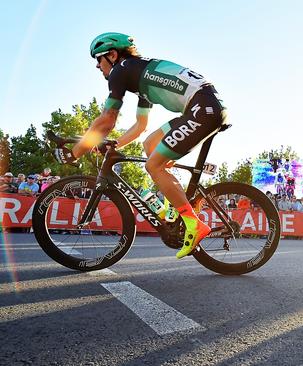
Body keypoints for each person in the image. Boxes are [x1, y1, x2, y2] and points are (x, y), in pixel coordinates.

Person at [53, 33, 227, 259]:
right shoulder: (139, 73)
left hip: (203, 110)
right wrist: (114, 144)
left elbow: (107, 119)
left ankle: (194, 223)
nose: (97, 65)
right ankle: (172, 207)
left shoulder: (120, 71)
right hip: (203, 108)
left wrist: (75, 152)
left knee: (153, 166)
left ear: (112, 55)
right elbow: (141, 125)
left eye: (98, 59)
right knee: (150, 144)